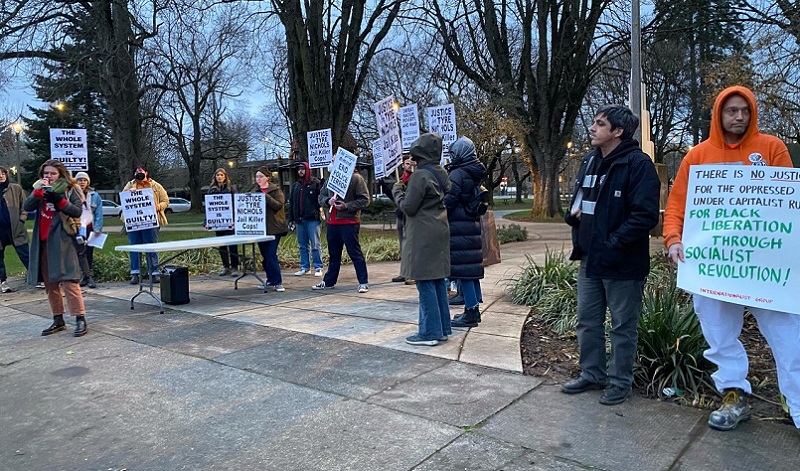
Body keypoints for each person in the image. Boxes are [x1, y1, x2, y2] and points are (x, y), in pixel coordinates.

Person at [664, 86, 800, 431]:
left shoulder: (772, 148)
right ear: (719, 114)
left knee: (788, 339)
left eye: (744, 111)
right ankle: (734, 394)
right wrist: (674, 239)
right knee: (719, 334)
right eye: (731, 111)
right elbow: (678, 204)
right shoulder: (697, 156)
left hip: (767, 267)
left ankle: (797, 405)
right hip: (713, 266)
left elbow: (787, 202)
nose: (739, 117)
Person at [562, 104, 660, 405]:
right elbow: (580, 201)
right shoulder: (590, 161)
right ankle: (592, 374)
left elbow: (645, 216)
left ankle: (620, 382)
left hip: (623, 263)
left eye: (599, 123)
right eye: (593, 122)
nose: (592, 128)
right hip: (590, 259)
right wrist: (572, 216)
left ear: (617, 131)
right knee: (587, 321)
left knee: (622, 327)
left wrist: (614, 242)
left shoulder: (637, 164)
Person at [393, 133, 452, 346]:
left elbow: (408, 207)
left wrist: (398, 191)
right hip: (439, 228)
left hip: (423, 232)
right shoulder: (441, 172)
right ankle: (442, 328)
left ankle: (429, 332)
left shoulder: (420, 176)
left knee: (425, 281)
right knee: (437, 280)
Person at [23, 160, 88, 337]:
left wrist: (58, 200)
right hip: (43, 242)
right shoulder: (40, 189)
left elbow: (77, 211)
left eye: (52, 173)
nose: (48, 177)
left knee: (69, 281)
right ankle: (58, 318)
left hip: (63, 241)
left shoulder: (70, 188)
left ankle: (79, 318)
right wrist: (37, 194)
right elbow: (26, 207)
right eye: (45, 174)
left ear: (60, 174)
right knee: (50, 284)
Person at [443, 136, 487, 328]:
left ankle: (470, 312)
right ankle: (474, 308)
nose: (451, 157)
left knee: (465, 273)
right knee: (471, 272)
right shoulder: (473, 171)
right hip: (470, 226)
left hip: (459, 227)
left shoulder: (458, 174)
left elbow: (449, 201)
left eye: (453, 153)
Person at [313, 161, 370, 293]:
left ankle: (363, 282)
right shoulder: (330, 179)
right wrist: (328, 201)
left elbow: (365, 200)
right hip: (332, 223)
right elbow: (321, 196)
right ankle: (329, 281)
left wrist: (347, 206)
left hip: (349, 223)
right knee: (334, 255)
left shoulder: (356, 178)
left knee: (355, 253)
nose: (332, 163)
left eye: (335, 160)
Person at [122, 166, 169, 284]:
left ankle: (154, 272)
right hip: (134, 221)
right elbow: (123, 199)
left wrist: (157, 207)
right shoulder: (129, 185)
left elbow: (166, 201)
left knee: (151, 246)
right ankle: (135, 273)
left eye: (141, 172)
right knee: (134, 247)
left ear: (146, 173)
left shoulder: (155, 186)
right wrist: (130, 192)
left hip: (151, 221)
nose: (139, 174)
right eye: (137, 172)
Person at [251, 166, 288, 292]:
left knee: (271, 254)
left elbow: (278, 205)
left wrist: (265, 197)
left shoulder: (275, 190)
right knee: (265, 255)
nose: (258, 179)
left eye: (261, 176)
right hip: (260, 229)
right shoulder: (254, 191)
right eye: (257, 176)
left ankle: (277, 282)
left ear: (267, 177)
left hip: (275, 228)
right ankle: (270, 280)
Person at [288, 161, 324, 277]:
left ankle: (318, 267)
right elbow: (292, 203)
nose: (300, 171)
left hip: (312, 219)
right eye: (299, 169)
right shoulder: (296, 186)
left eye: (303, 169)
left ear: (308, 170)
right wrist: (291, 219)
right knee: (302, 245)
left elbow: (321, 199)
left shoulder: (316, 183)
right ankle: (305, 267)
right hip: (299, 219)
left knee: (315, 244)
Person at [0, 166, 30, 293]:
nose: (0, 176)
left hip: (15, 228)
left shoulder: (15, 188)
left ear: (6, 174)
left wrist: (22, 219)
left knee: (25, 254)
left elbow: (26, 205)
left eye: (2, 173)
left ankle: (37, 277)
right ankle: (3, 282)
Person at [207, 168, 240, 277]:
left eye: (221, 175)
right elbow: (209, 208)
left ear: (225, 176)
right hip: (218, 222)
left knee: (232, 244)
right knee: (222, 245)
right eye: (217, 175)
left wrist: (235, 220)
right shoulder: (211, 190)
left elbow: (236, 205)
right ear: (215, 177)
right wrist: (206, 222)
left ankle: (235, 266)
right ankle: (226, 266)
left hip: (230, 221)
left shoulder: (231, 189)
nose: (219, 177)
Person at [391, 153, 416, 285]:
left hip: (413, 218)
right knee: (403, 245)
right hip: (401, 217)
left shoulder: (417, 180)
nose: (410, 165)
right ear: (402, 165)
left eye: (412, 163)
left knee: (412, 246)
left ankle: (413, 274)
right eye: (407, 163)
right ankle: (404, 272)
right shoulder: (399, 182)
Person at [74, 171, 102, 288]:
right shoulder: (72, 193)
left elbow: (99, 213)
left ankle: (87, 276)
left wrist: (98, 228)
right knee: (80, 252)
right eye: (80, 180)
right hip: (77, 227)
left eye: (84, 180)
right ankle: (86, 276)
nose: (82, 182)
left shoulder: (94, 196)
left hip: (91, 228)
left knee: (89, 252)